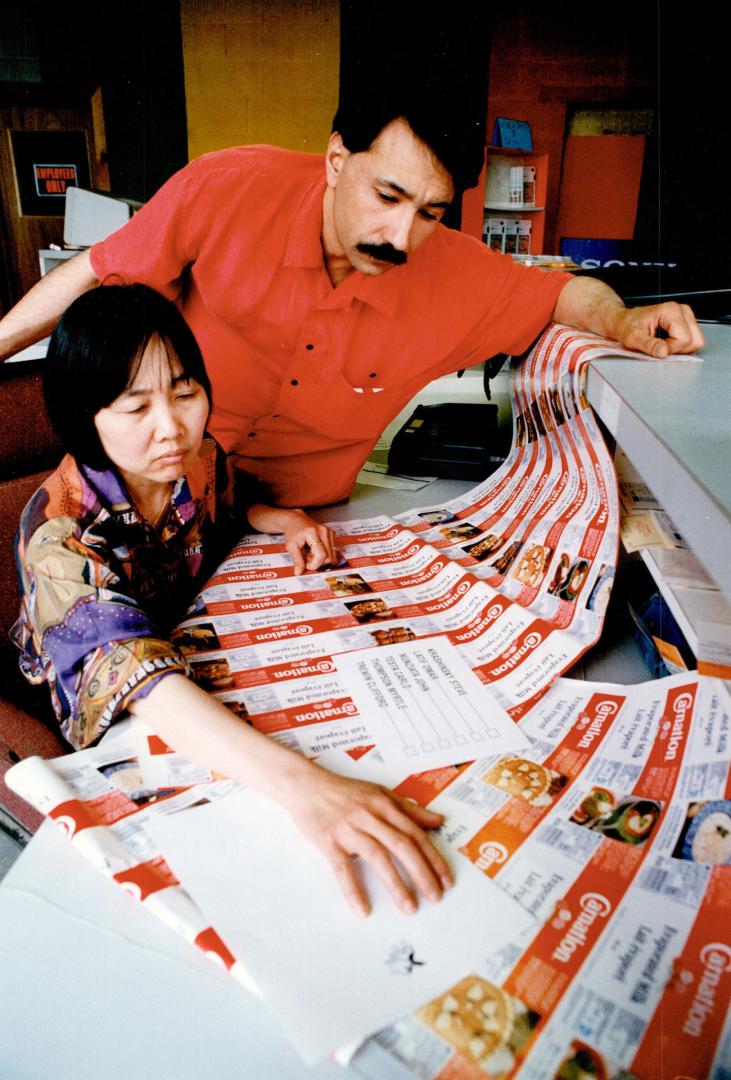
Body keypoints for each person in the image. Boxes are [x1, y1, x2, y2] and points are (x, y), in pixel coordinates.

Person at [0, 96, 704, 507]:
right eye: (386, 196)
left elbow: (557, 291)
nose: (400, 235)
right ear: (337, 160)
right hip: (153, 487)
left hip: (290, 521)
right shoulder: (227, 187)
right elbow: (93, 270)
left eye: (429, 211)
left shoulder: (455, 272)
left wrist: (621, 320)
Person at [13, 284, 452, 919]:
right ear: (86, 419)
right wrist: (306, 787)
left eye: (185, 392)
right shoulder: (58, 536)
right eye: (136, 408)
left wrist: (287, 519)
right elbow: (132, 676)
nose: (172, 428)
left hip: (192, 639)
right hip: (105, 699)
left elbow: (229, 496)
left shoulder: (190, 459)